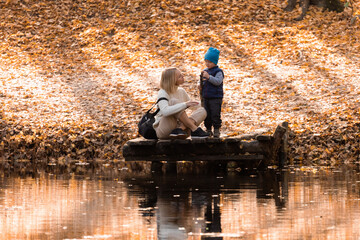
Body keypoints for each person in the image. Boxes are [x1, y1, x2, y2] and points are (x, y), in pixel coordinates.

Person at [153, 67, 210, 139]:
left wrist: (207, 104)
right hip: (165, 131)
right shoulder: (163, 92)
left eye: (182, 75)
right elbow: (165, 111)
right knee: (174, 101)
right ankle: (194, 129)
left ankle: (180, 129)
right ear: (172, 80)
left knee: (203, 109)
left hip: (182, 133)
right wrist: (185, 104)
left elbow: (192, 105)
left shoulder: (181, 91)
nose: (183, 77)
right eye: (179, 76)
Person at [200, 47, 224, 138]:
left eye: (209, 62)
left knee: (215, 113)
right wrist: (200, 84)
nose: (207, 64)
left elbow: (218, 81)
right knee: (207, 114)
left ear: (215, 62)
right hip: (206, 96)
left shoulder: (218, 72)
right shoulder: (205, 71)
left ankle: (216, 129)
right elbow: (202, 80)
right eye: (206, 61)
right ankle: (208, 129)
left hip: (215, 97)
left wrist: (209, 77)